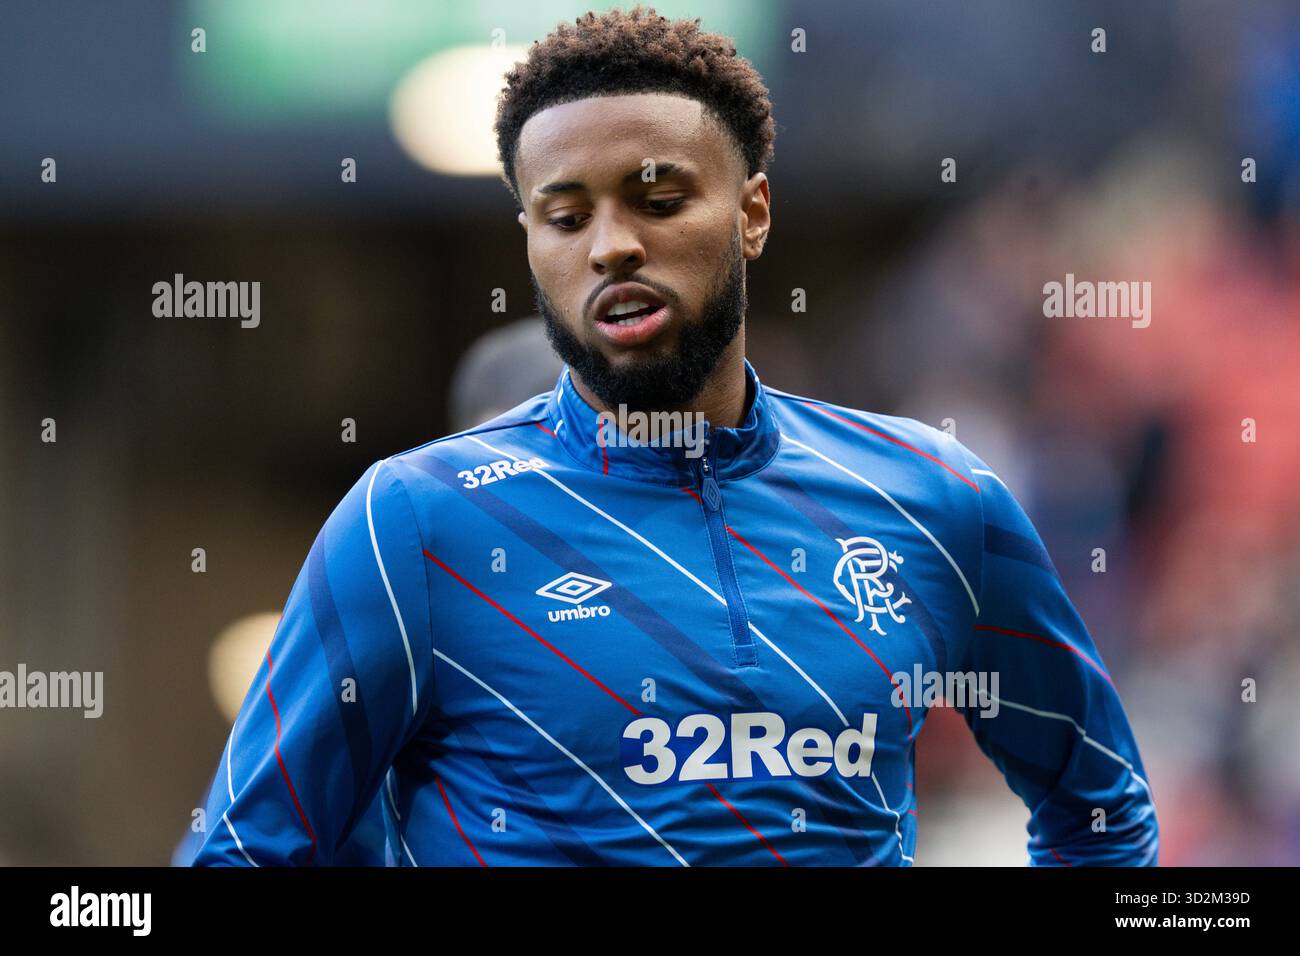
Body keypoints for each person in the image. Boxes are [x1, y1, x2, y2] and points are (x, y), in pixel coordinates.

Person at [192, 6, 1157, 866]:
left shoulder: (937, 499)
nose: (611, 245)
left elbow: (1102, 815)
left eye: (656, 201)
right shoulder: (411, 524)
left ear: (752, 214)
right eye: (565, 216)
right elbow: (244, 849)